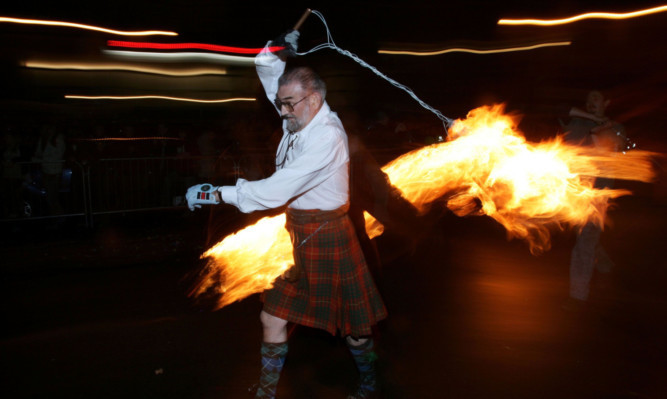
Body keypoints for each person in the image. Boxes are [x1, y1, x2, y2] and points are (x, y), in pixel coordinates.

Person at [187, 31, 387, 399]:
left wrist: (218, 192)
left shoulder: (327, 136)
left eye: (288, 104)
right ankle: (266, 392)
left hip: (328, 235)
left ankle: (371, 384)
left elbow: (277, 189)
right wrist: (276, 48)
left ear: (314, 99)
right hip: (298, 232)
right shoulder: (299, 113)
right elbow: (267, 71)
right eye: (280, 103)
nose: (282, 112)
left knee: (356, 329)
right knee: (271, 318)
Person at [561, 90, 625, 307]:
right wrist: (593, 120)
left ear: (607, 102)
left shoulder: (616, 128)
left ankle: (577, 296)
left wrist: (598, 130)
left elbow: (609, 151)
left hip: (598, 194)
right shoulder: (577, 122)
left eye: (596, 98)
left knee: (585, 241)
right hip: (573, 191)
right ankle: (604, 261)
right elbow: (561, 110)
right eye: (588, 99)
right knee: (580, 235)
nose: (590, 103)